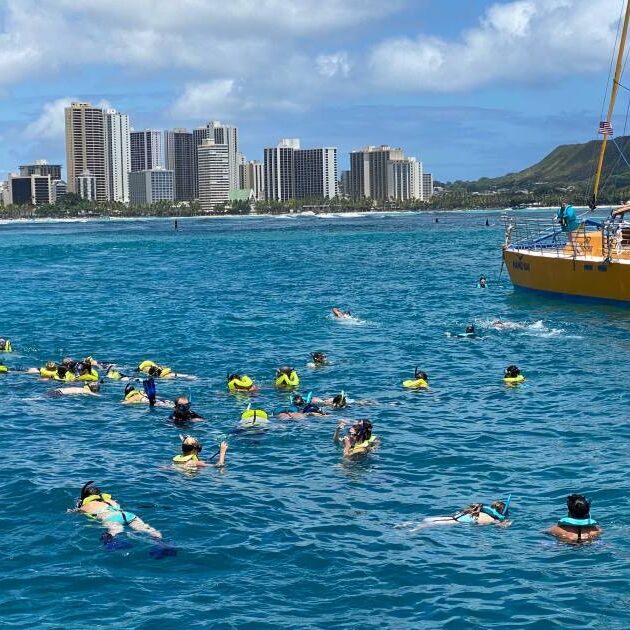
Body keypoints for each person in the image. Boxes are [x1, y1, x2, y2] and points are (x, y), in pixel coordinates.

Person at [74, 481, 162, 539]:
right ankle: (162, 543)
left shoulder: (86, 505)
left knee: (114, 532)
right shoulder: (110, 500)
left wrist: (75, 509)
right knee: (148, 529)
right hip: (127, 515)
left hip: (110, 518)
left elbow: (74, 512)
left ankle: (113, 544)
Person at [419, 497, 512, 528]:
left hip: (451, 517)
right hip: (454, 522)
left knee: (425, 521)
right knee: (422, 527)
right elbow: (501, 526)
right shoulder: (493, 519)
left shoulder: (481, 508)